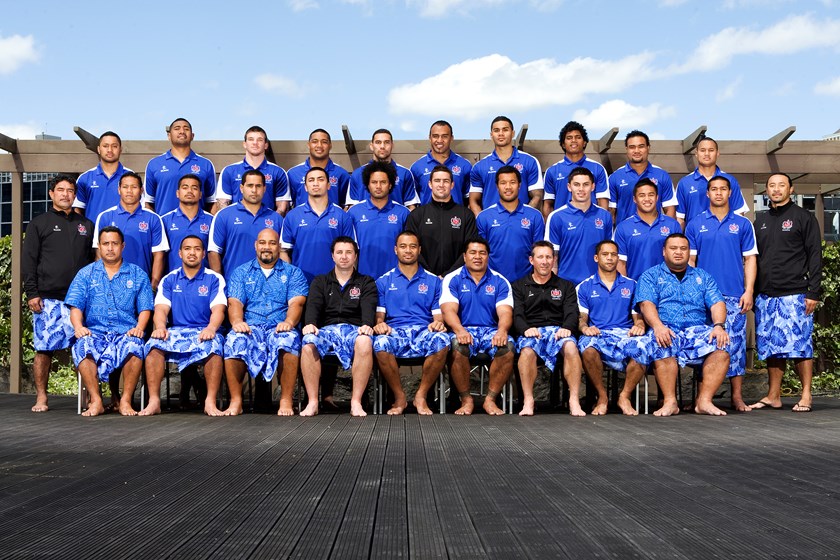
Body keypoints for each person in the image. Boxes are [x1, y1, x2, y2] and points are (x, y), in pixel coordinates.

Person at [635, 233, 730, 417]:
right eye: (673, 248)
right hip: (666, 327)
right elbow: (646, 304)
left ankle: (704, 401)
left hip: (697, 330)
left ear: (689, 252)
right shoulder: (650, 276)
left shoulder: (703, 276)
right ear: (664, 252)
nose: (678, 252)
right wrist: (658, 326)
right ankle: (670, 402)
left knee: (721, 346)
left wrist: (718, 325)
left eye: (683, 248)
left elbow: (717, 302)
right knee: (660, 343)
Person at [22, 174, 95, 412]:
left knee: (83, 349)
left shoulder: (86, 225)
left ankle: (87, 398)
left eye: (70, 190)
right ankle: (41, 397)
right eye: (61, 190)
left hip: (79, 302)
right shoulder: (38, 223)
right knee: (44, 349)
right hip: (48, 299)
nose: (66, 194)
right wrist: (32, 293)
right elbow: (29, 260)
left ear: (75, 195)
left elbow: (94, 261)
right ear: (52, 194)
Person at [685, 176, 757, 412]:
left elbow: (750, 259)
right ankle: (701, 398)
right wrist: (694, 292)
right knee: (705, 346)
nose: (718, 193)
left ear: (730, 193)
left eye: (723, 189)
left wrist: (748, 290)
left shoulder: (743, 224)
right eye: (714, 189)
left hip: (735, 295)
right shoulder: (695, 224)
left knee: (735, 347)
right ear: (707, 194)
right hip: (705, 298)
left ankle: (737, 396)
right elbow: (691, 261)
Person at [65, 226, 154, 416]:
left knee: (135, 345)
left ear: (123, 246)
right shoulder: (85, 274)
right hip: (95, 332)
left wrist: (139, 328)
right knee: (82, 345)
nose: (110, 248)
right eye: (106, 244)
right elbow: (75, 307)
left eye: (115, 243)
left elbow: (146, 307)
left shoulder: (138, 274)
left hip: (125, 333)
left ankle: (125, 401)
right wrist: (79, 327)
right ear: (99, 246)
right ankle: (96, 400)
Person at [752, 173, 822, 413]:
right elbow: (753, 259)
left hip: (795, 294)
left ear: (791, 189)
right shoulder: (760, 220)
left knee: (800, 345)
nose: (776, 189)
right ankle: (773, 395)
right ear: (767, 190)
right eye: (772, 186)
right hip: (765, 295)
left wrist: (813, 291)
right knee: (772, 346)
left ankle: (806, 395)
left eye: (781, 185)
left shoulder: (803, 218)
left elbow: (815, 255)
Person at [223, 229, 308, 416]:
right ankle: (236, 400)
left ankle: (285, 399)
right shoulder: (241, 272)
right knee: (233, 340)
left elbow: (297, 302)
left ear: (279, 246)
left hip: (280, 325)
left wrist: (289, 322)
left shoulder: (293, 273)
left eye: (271, 243)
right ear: (256, 245)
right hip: (251, 326)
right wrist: (237, 322)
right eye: (262, 243)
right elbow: (234, 302)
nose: (266, 247)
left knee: (289, 340)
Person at [144, 236, 227, 416]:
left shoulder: (214, 279)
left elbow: (219, 310)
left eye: (197, 249)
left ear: (204, 254)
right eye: (187, 249)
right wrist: (160, 327)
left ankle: (210, 402)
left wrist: (211, 328)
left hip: (204, 329)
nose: (192, 253)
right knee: (153, 346)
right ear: (180, 253)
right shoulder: (169, 279)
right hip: (176, 331)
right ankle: (154, 401)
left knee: (214, 346)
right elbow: (161, 310)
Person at [373, 231, 450, 415]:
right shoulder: (383, 281)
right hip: (395, 331)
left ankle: (420, 396)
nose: (408, 251)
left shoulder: (434, 281)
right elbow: (379, 317)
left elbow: (438, 317)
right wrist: (379, 324)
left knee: (442, 340)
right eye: (403, 246)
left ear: (419, 250)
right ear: (395, 250)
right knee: (380, 343)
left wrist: (438, 324)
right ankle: (399, 398)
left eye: (413, 246)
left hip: (423, 330)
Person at [299, 237, 377, 417]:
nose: (344, 257)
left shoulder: (366, 282)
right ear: (332, 256)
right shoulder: (320, 281)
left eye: (349, 252)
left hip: (354, 330)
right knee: (308, 341)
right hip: (327, 331)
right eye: (339, 252)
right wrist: (310, 323)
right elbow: (313, 307)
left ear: (355, 256)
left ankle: (355, 402)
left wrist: (367, 325)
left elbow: (369, 308)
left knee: (365, 341)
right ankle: (312, 402)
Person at [576, 240, 652, 416]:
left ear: (618, 258)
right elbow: (581, 318)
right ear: (596, 258)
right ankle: (602, 397)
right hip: (599, 333)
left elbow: (638, 317)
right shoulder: (584, 286)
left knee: (643, 346)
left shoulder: (632, 285)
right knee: (587, 348)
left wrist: (639, 325)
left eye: (613, 254)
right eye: (605, 254)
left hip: (624, 334)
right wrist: (584, 327)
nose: (610, 258)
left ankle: (624, 396)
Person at [440, 238, 514, 416]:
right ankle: (466, 400)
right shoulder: (453, 278)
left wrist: (502, 331)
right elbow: (448, 310)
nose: (477, 257)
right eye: (473, 252)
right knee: (457, 346)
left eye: (482, 253)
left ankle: (490, 400)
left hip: (491, 330)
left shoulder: (500, 280)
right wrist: (459, 330)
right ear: (464, 256)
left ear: (488, 256)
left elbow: (505, 312)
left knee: (508, 347)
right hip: (464, 328)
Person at [513, 241, 584, 417]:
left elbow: (572, 313)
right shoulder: (519, 286)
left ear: (554, 260)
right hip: (532, 331)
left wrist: (567, 328)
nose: (544, 261)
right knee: (527, 350)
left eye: (548, 257)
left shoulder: (566, 286)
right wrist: (525, 329)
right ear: (531, 260)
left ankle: (573, 400)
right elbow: (517, 315)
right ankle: (529, 400)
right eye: (540, 257)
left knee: (571, 347)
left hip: (559, 332)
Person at [94, 171, 168, 289]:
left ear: (141, 190)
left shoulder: (153, 218)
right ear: (119, 190)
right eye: (125, 187)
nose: (129, 191)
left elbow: (159, 255)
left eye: (134, 187)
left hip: (141, 286)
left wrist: (152, 287)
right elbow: (99, 253)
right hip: (111, 286)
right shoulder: (105, 216)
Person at [281, 166, 355, 282]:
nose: (316, 183)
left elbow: (351, 253)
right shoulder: (292, 216)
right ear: (305, 187)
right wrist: (291, 280)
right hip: (301, 283)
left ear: (329, 185)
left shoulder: (342, 216)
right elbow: (284, 251)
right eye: (311, 180)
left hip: (334, 283)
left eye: (320, 179)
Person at [208, 169, 283, 281]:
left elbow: (283, 253)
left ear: (264, 189)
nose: (254, 190)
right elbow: (214, 252)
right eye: (250, 186)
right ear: (241, 188)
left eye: (258, 186)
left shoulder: (276, 218)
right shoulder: (223, 215)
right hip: (234, 287)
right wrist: (220, 285)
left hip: (268, 289)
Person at [404, 165, 479, 277]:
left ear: (452, 185)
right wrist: (429, 275)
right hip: (423, 278)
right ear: (430, 184)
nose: (441, 185)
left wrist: (448, 275)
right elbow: (411, 248)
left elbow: (469, 249)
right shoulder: (417, 215)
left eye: (446, 181)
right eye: (437, 181)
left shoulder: (466, 215)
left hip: (457, 278)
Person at [476, 165, 545, 282]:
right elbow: (480, 253)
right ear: (497, 186)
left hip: (527, 282)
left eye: (512, 182)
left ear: (519, 185)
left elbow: (539, 252)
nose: (508, 187)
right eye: (503, 183)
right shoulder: (484, 217)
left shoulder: (535, 216)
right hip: (493, 282)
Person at [545, 167, 613, 285]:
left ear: (593, 187)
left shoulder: (605, 216)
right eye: (576, 184)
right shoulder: (556, 217)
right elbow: (552, 258)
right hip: (566, 284)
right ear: (569, 187)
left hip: (597, 284)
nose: (581, 189)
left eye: (586, 184)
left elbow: (610, 254)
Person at [347, 161, 411, 279]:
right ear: (367, 185)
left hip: (395, 279)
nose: (378, 186)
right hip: (362, 280)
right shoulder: (353, 213)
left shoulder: (403, 213)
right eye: (374, 182)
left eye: (383, 182)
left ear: (390, 185)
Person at [469, 116, 543, 214]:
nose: (501, 134)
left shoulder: (530, 161)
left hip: (522, 225)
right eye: (496, 130)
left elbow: (537, 196)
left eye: (505, 130)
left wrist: (523, 219)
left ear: (513, 133)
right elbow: (473, 201)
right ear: (491, 135)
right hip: (492, 225)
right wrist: (483, 221)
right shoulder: (480, 166)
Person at [613, 178, 681, 280]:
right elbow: (620, 263)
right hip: (637, 288)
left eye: (651, 195)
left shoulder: (673, 225)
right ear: (634, 199)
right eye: (642, 195)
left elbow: (680, 260)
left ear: (657, 197)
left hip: (668, 290)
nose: (647, 199)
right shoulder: (623, 228)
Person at [144, 118, 216, 215]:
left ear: (192, 136)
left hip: (198, 227)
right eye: (177, 128)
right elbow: (148, 203)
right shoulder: (154, 164)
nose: (182, 131)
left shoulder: (206, 164)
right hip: (164, 227)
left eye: (186, 129)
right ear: (169, 136)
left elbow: (212, 202)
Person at [215, 125, 290, 215]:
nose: (255, 143)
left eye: (260, 140)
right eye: (251, 139)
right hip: (237, 225)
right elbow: (222, 205)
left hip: (267, 226)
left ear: (266, 145)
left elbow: (282, 207)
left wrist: (269, 224)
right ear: (245, 144)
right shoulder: (229, 171)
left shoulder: (278, 172)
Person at [676, 136, 748, 229]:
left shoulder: (730, 181)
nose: (706, 154)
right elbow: (679, 218)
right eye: (702, 150)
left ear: (718, 153)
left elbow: (739, 213)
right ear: (696, 153)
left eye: (711, 150)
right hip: (695, 240)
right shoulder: (684, 183)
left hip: (724, 238)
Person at [542, 121, 609, 217]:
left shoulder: (597, 168)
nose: (574, 140)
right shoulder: (552, 171)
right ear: (563, 144)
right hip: (562, 226)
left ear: (584, 142)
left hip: (590, 223)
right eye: (569, 138)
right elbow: (548, 205)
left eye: (578, 137)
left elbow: (603, 203)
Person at [608, 130, 676, 224]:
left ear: (648, 148)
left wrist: (666, 232)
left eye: (641, 146)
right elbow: (611, 211)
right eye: (632, 147)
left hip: (656, 234)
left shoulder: (662, 175)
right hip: (626, 235)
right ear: (626, 149)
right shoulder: (615, 177)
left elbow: (670, 208)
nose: (636, 151)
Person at [347, 129, 419, 209]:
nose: (382, 146)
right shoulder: (357, 173)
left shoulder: (404, 173)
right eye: (378, 142)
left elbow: (411, 206)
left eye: (386, 142)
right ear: (371, 146)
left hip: (395, 220)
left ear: (392, 145)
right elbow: (352, 207)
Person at [73, 131, 132, 223]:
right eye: (105, 146)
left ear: (120, 150)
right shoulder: (85, 178)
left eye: (114, 146)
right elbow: (77, 209)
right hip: (94, 235)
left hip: (124, 234)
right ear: (99, 149)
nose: (110, 150)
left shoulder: (131, 176)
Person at [409, 120, 473, 205]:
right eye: (435, 136)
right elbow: (413, 202)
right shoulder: (417, 167)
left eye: (444, 136)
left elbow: (469, 200)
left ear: (451, 138)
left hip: (456, 217)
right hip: (426, 217)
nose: (440, 140)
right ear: (430, 138)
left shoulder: (465, 165)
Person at [160, 174, 214, 272]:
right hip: (173, 282)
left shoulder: (212, 220)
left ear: (200, 194)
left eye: (194, 188)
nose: (189, 191)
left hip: (204, 282)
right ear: (177, 193)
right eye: (185, 187)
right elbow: (160, 255)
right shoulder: (164, 220)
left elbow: (214, 254)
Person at [286, 128, 351, 208]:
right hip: (302, 220)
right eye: (314, 141)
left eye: (324, 142)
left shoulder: (341, 174)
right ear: (308, 144)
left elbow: (346, 206)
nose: (319, 145)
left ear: (330, 145)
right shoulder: (293, 173)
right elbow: (287, 206)